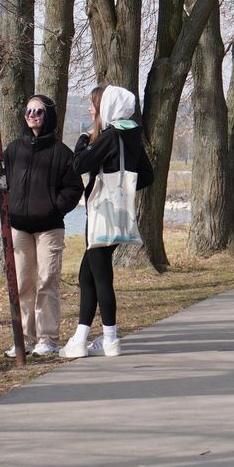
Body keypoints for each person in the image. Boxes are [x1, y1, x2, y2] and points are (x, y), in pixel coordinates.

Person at [60, 86, 154, 359]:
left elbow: (78, 164)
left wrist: (82, 138)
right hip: (120, 214)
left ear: (107, 107)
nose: (90, 110)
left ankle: (110, 337)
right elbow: (147, 176)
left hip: (102, 214)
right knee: (86, 275)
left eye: (94, 105)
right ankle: (81, 337)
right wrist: (124, 187)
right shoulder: (131, 134)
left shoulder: (111, 135)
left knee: (100, 275)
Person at [2, 94, 84, 358]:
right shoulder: (14, 150)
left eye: (37, 111)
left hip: (49, 228)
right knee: (24, 282)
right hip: (19, 228)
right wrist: (4, 207)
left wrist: (53, 208)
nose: (32, 115)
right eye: (28, 110)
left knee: (47, 280)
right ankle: (25, 338)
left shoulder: (61, 153)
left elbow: (74, 188)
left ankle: (47, 337)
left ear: (47, 115)